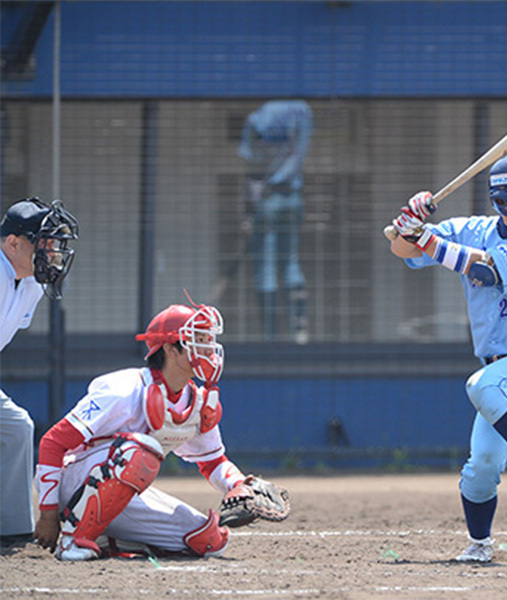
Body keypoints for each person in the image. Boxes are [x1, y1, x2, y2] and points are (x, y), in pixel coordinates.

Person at [388, 151, 507, 563]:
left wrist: (423, 236)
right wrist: (408, 222)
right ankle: (479, 546)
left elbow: (485, 272)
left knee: (482, 385)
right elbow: (403, 250)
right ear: (505, 200)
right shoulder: (472, 230)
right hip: (504, 378)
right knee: (481, 469)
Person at [32, 299, 253, 560]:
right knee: (140, 451)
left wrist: (239, 485)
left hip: (118, 495)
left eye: (208, 340)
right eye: (199, 340)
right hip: (73, 485)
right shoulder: (124, 389)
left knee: (209, 541)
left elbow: (213, 461)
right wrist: (48, 512)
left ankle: (108, 537)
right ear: (171, 348)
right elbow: (53, 442)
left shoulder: (199, 401)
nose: (209, 350)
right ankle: (73, 539)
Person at [1, 197, 78, 547]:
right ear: (13, 243)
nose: (51, 252)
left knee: (17, 427)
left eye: (53, 243)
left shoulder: (30, 282)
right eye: (43, 242)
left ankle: (10, 528)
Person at [238, 100, 314, 343]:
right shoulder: (302, 111)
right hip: (293, 197)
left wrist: (249, 211)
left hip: (267, 199)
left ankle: (270, 337)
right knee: (290, 263)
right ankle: (298, 330)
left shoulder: (256, 119)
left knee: (265, 270)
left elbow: (253, 168)